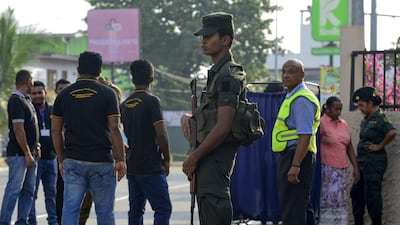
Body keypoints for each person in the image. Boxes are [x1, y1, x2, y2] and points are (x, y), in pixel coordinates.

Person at [181, 12, 246, 225]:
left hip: (215, 158)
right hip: (209, 157)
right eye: (203, 36)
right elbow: (211, 114)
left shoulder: (228, 75)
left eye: (209, 36)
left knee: (214, 211)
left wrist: (194, 157)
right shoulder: (217, 73)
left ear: (226, 40)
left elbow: (224, 125)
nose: (203, 40)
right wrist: (189, 118)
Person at [51, 51, 126, 225]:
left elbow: (56, 131)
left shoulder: (63, 95)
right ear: (100, 71)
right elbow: (114, 127)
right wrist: (121, 159)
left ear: (77, 69)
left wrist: (62, 159)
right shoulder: (108, 94)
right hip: (101, 161)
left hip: (73, 160)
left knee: (70, 209)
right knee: (105, 212)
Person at [120, 59, 172, 225]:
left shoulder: (125, 104)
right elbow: (161, 134)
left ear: (132, 78)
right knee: (163, 208)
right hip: (151, 165)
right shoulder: (152, 101)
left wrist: (127, 151)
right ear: (152, 79)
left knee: (135, 210)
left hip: (133, 165)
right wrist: (167, 159)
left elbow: (115, 133)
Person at [271, 59, 320, 225]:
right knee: (300, 205)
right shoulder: (292, 96)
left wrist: (295, 165)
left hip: (297, 157)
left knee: (293, 209)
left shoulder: (301, 100)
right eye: (283, 71)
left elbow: (305, 135)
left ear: (302, 75)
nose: (285, 75)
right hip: (294, 156)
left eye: (291, 71)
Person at [77, 76, 124, 225]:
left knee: (90, 206)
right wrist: (120, 159)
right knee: (97, 207)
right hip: (99, 160)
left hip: (94, 158)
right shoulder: (101, 109)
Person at [350, 87, 397, 225]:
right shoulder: (366, 119)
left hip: (374, 164)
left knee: (372, 197)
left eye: (361, 105)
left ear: (370, 103)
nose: (360, 108)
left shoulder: (380, 118)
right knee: (356, 194)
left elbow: (392, 132)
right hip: (363, 164)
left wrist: (379, 146)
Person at [0, 69, 40, 225]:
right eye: (32, 81)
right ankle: (4, 221)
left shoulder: (26, 100)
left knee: (29, 190)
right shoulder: (16, 100)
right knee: (14, 189)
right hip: (19, 154)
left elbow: (31, 127)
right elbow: (18, 128)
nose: (33, 84)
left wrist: (36, 146)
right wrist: (27, 153)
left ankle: (22, 221)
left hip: (30, 152)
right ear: (28, 81)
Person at [319, 96, 360, 225]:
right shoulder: (322, 123)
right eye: (336, 109)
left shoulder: (343, 124)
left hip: (341, 171)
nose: (338, 112)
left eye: (340, 110)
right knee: (329, 202)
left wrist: (356, 167)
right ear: (327, 109)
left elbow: (349, 147)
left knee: (339, 202)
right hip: (327, 170)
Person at [29, 81, 59, 225]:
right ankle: (32, 221)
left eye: (40, 92)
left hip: (51, 158)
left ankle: (53, 222)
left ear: (45, 93)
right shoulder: (29, 111)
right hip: (35, 159)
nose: (37, 96)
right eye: (34, 93)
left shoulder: (53, 111)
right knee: (31, 194)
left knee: (51, 195)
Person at [53, 79, 71, 225]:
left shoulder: (76, 109)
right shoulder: (55, 110)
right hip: (59, 158)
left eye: (66, 88)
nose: (63, 91)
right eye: (61, 89)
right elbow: (55, 131)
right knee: (60, 191)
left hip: (74, 156)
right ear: (56, 91)